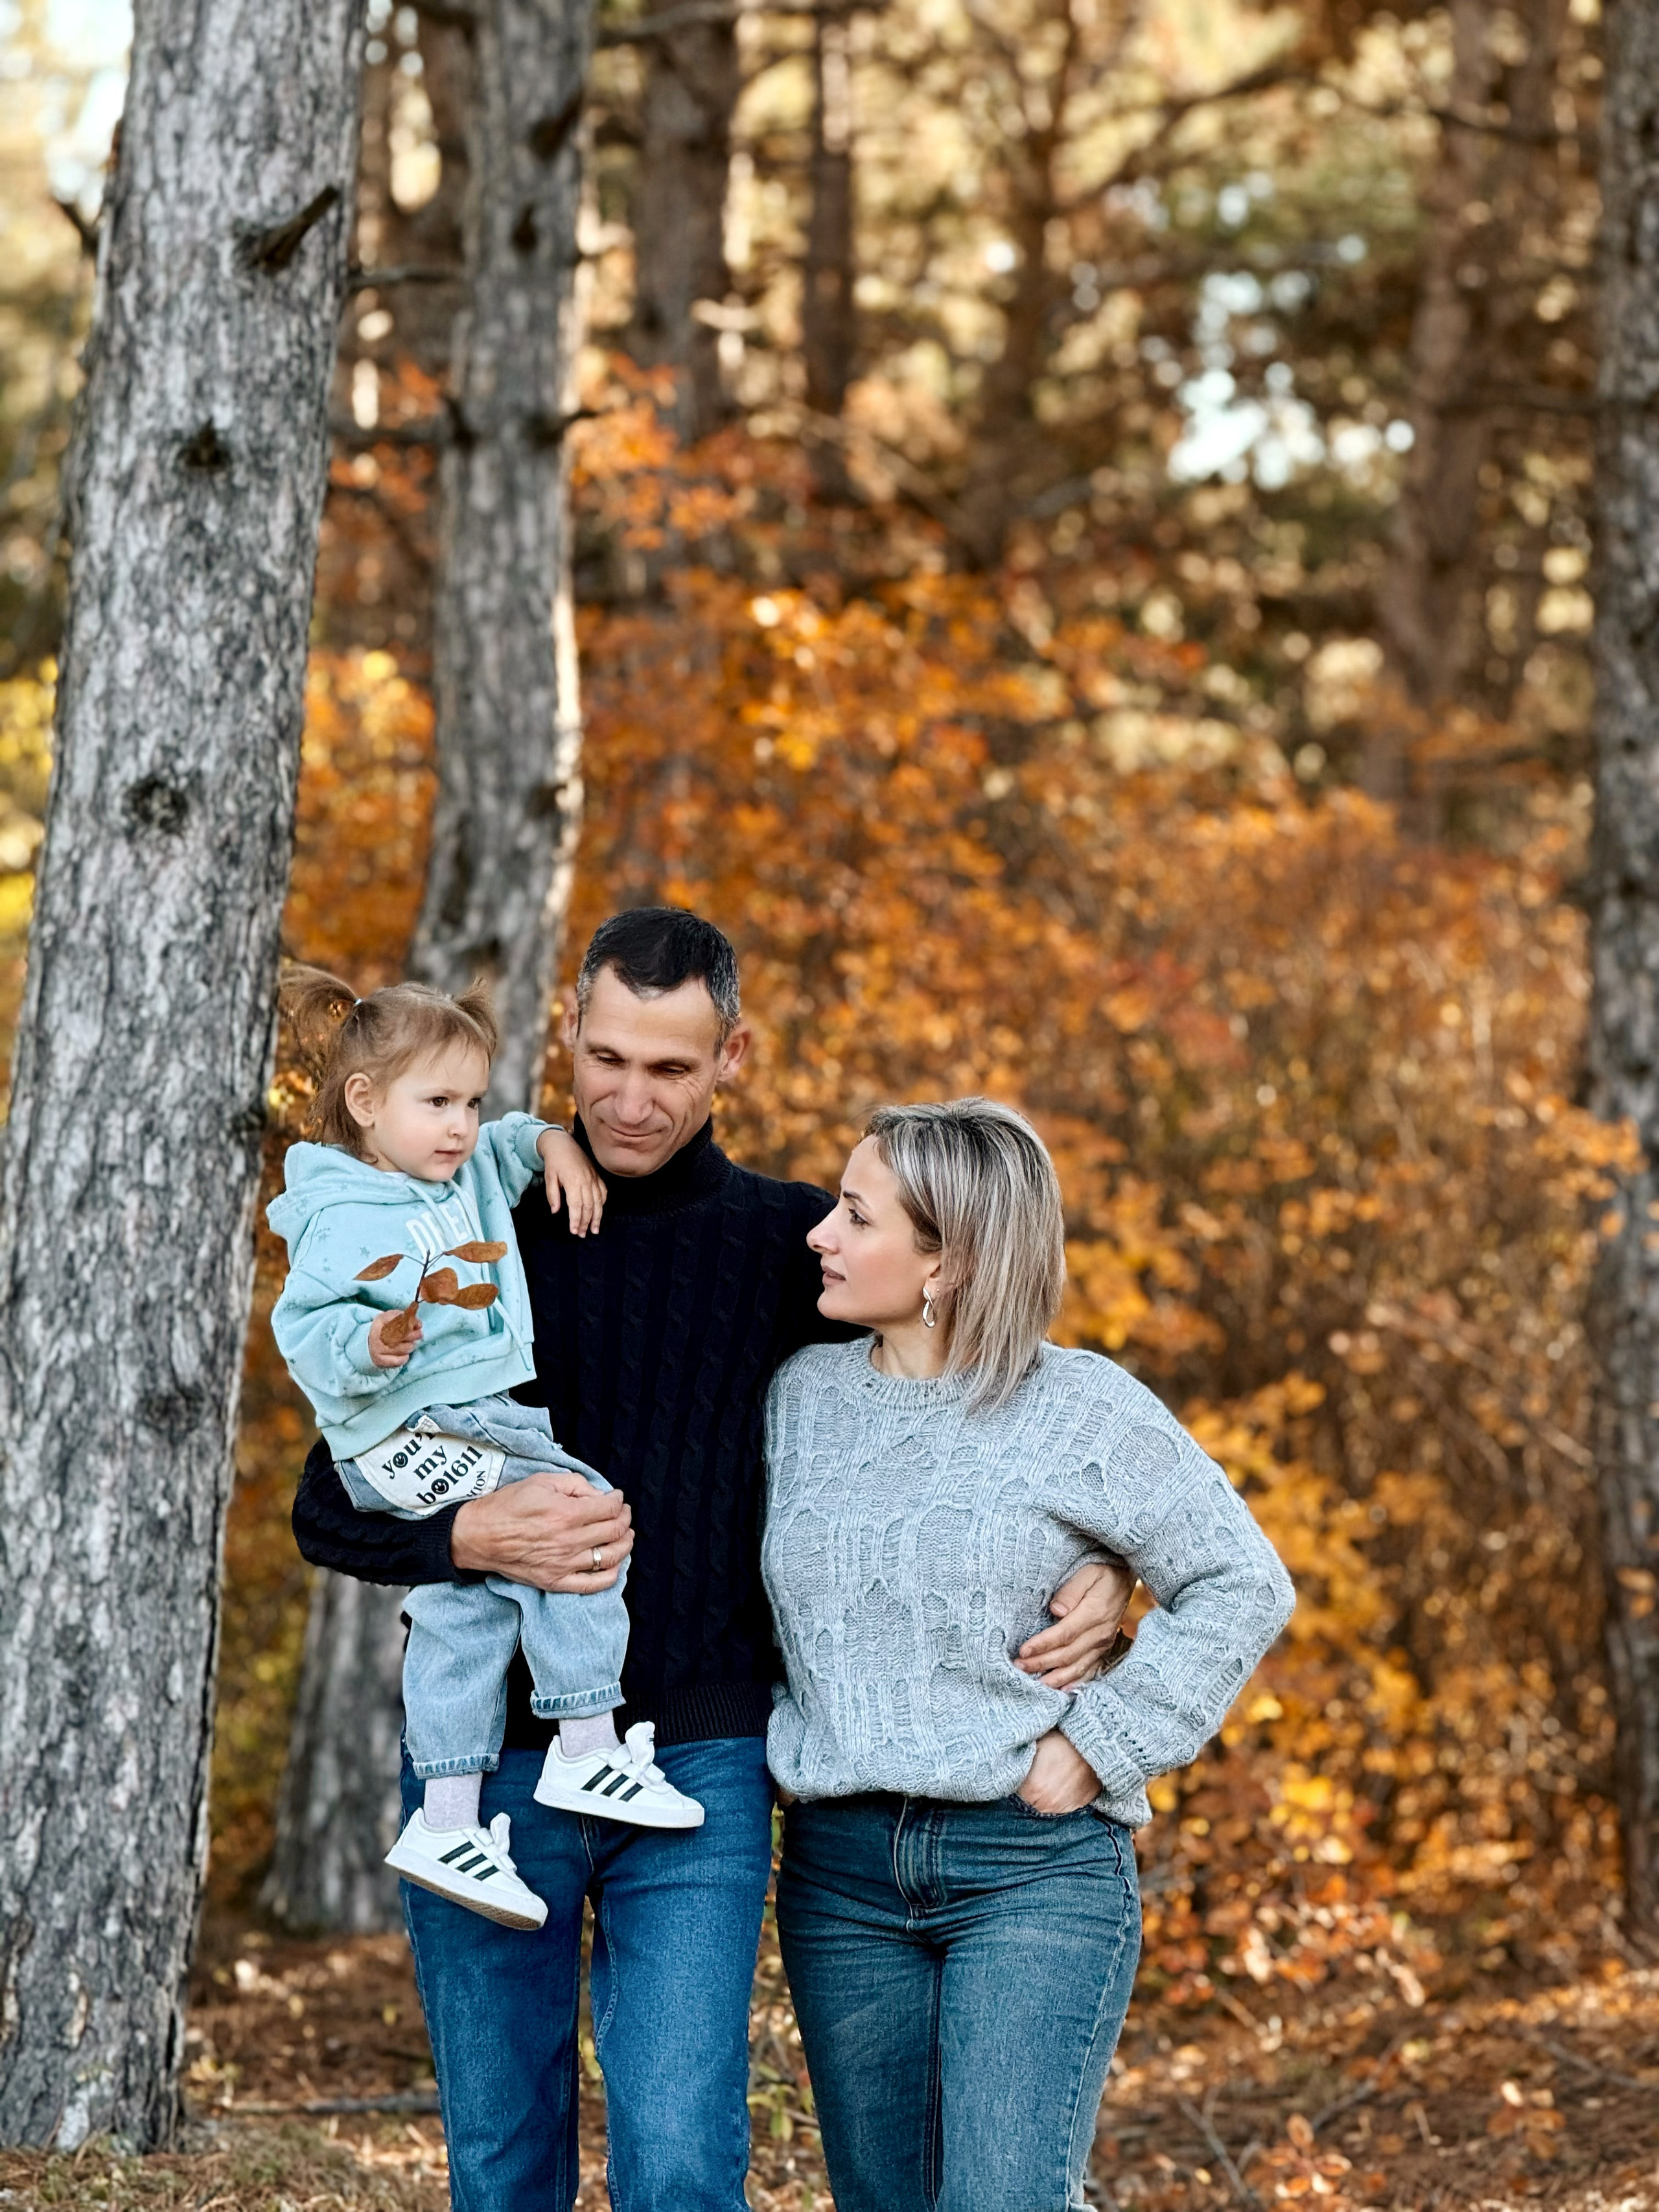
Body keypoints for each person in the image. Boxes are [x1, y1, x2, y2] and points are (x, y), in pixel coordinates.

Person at [290, 909, 1135, 2212]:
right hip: (484, 1761)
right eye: (608, 1058)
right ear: (568, 1030)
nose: (630, 1099)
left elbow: (980, 1371)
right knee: (501, 2166)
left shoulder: (794, 1247)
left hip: (697, 1765)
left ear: (732, 1056)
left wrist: (1099, 1562)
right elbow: (324, 1504)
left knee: (682, 2162)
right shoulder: (465, 1213)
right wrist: (467, 1532)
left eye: (671, 1069)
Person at [764, 1098, 1297, 2212]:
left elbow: (1241, 1580)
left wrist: (1100, 1743)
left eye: (857, 1215)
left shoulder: (1082, 1406)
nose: (820, 1230)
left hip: (1031, 1865)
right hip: (841, 1874)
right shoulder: (799, 1398)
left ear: (946, 1261)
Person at [269, 967, 703, 1935]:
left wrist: (552, 1139)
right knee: (580, 1511)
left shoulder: (455, 1166)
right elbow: (302, 1328)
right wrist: (368, 1346)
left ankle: (448, 1817)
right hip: (411, 1429)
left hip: (453, 1422)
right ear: (366, 1102)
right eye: (438, 1103)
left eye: (470, 1098)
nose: (462, 1123)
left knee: (466, 1609)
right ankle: (586, 1734)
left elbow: (507, 1145)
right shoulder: (343, 1214)